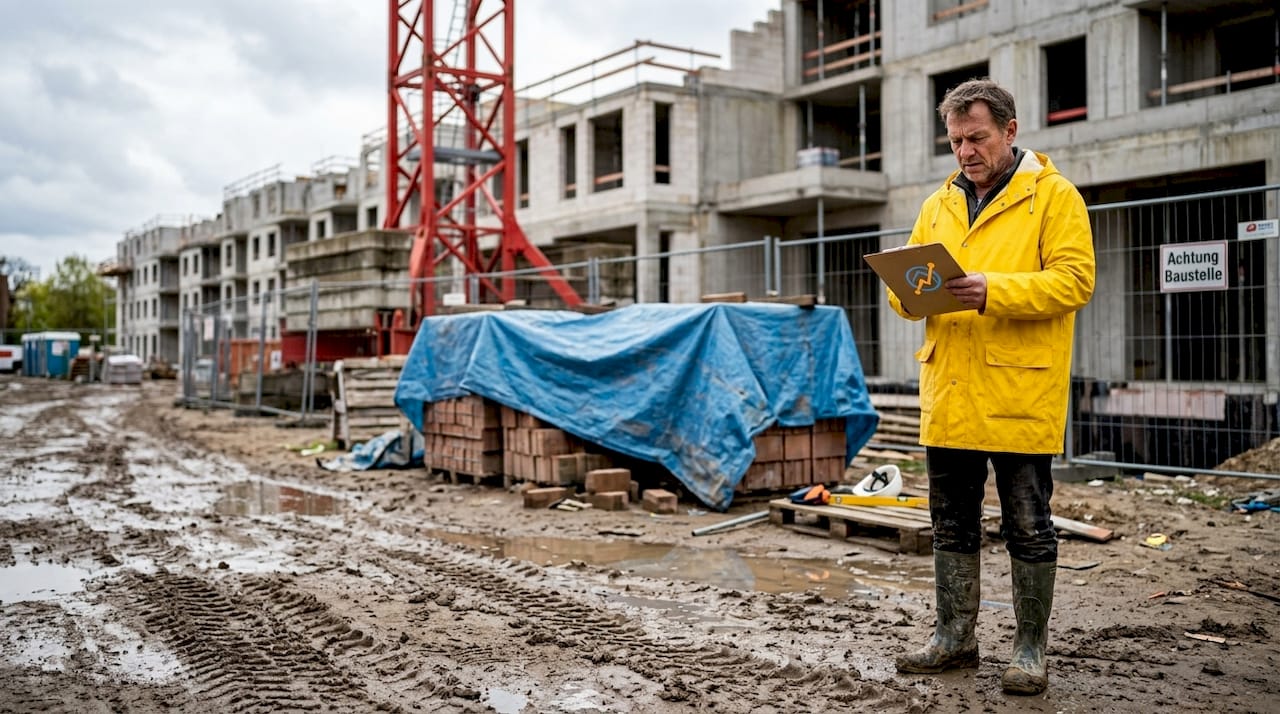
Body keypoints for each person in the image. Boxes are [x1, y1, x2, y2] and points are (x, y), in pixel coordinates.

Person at [886, 78, 1095, 695]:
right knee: (951, 523)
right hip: (950, 390)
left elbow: (1074, 281)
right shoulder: (938, 204)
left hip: (1017, 395)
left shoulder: (1054, 198)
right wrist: (905, 291)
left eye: (976, 137)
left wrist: (993, 290)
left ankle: (1030, 650)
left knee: (1028, 524)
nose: (965, 151)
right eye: (955, 141)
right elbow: (915, 299)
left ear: (1009, 130)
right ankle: (955, 638)